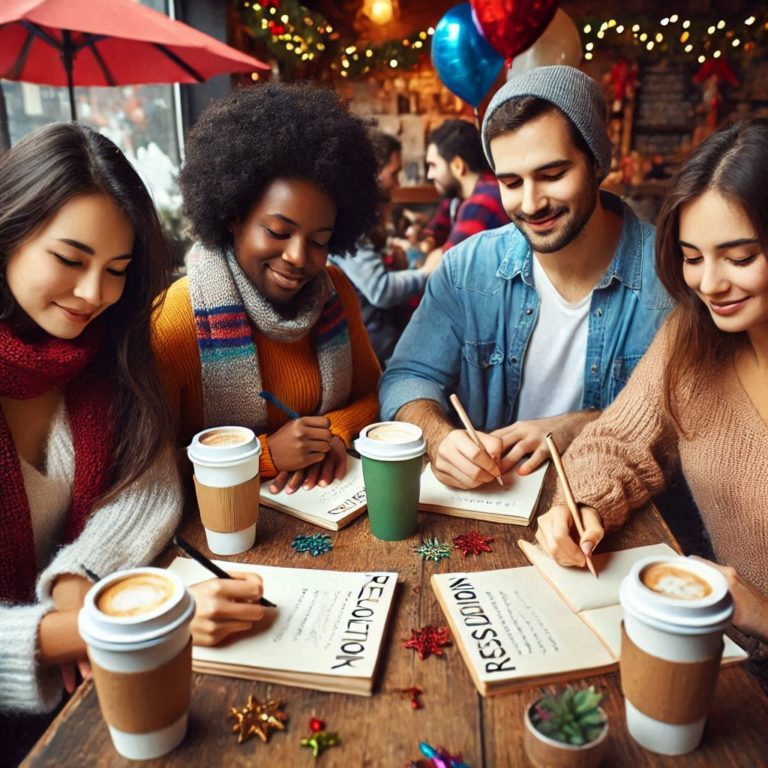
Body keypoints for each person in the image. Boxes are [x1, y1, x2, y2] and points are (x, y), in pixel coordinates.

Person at [536, 118, 768, 652]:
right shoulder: (693, 338)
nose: (709, 284)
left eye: (740, 257)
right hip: (705, 653)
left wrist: (760, 612)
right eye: (692, 258)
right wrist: (586, 505)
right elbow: (618, 440)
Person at [380, 65, 671, 490]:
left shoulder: (671, 276)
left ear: (596, 163)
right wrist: (439, 439)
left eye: (552, 175)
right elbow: (406, 378)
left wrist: (584, 427)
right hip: (490, 508)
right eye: (511, 182)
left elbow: (697, 421)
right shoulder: (466, 269)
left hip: (619, 519)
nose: (532, 203)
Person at [0, 123, 184, 717]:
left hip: (86, 701)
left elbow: (147, 485)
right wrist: (71, 631)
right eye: (69, 259)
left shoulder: (115, 349)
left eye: (117, 268)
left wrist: (79, 576)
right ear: (7, 236)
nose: (92, 293)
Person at [151, 83, 382, 497]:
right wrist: (262, 454)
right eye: (278, 231)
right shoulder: (175, 319)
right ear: (233, 217)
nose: (298, 257)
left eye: (319, 240)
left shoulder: (337, 293)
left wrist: (334, 435)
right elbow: (146, 473)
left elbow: (374, 395)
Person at [331, 130, 441, 365]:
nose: (398, 182)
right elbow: (380, 290)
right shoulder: (349, 222)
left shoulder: (358, 216)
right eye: (394, 173)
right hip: (374, 350)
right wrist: (427, 272)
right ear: (373, 173)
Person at [418, 118, 509, 258]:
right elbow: (435, 229)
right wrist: (429, 242)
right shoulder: (457, 198)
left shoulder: (481, 203)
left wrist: (431, 254)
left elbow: (450, 269)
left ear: (457, 166)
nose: (429, 175)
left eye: (433, 165)